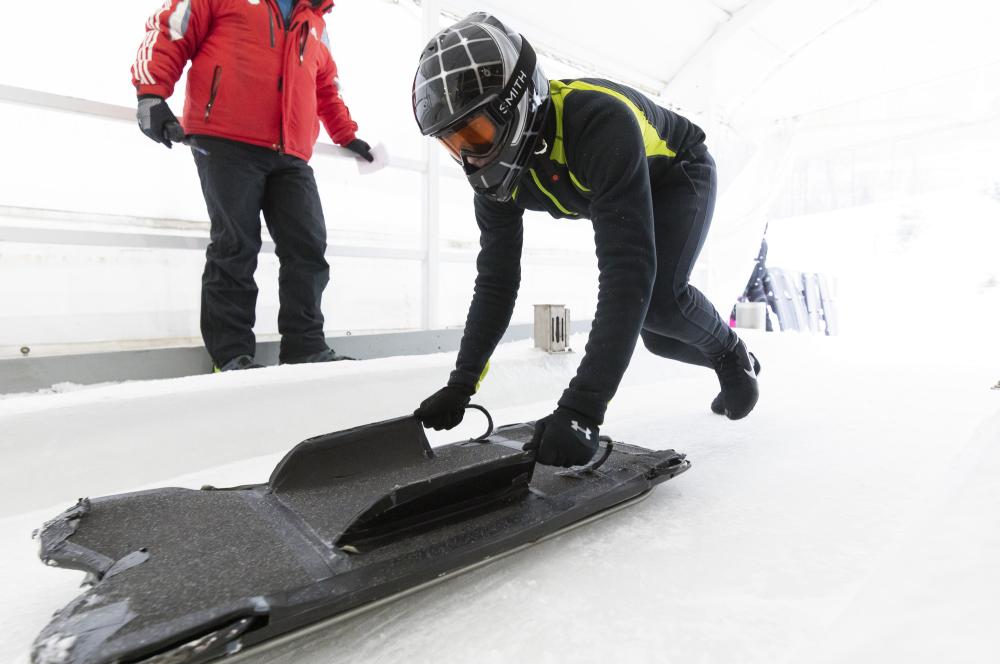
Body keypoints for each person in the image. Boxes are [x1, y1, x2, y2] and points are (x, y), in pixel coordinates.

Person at [410, 13, 761, 467]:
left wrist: (582, 408)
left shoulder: (597, 123)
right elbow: (496, 281)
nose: (470, 158)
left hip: (678, 173)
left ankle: (733, 354)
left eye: (475, 133)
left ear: (516, 103)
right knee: (656, 336)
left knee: (659, 305)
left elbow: (626, 274)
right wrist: (462, 383)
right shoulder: (494, 178)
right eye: (453, 143)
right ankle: (726, 355)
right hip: (626, 178)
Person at [132, 0, 374, 371]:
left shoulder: (315, 19)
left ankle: (305, 347)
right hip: (225, 138)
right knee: (235, 246)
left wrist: (346, 134)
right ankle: (231, 356)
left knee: (308, 246)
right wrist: (151, 94)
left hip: (290, 152)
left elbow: (325, 83)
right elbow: (171, 29)